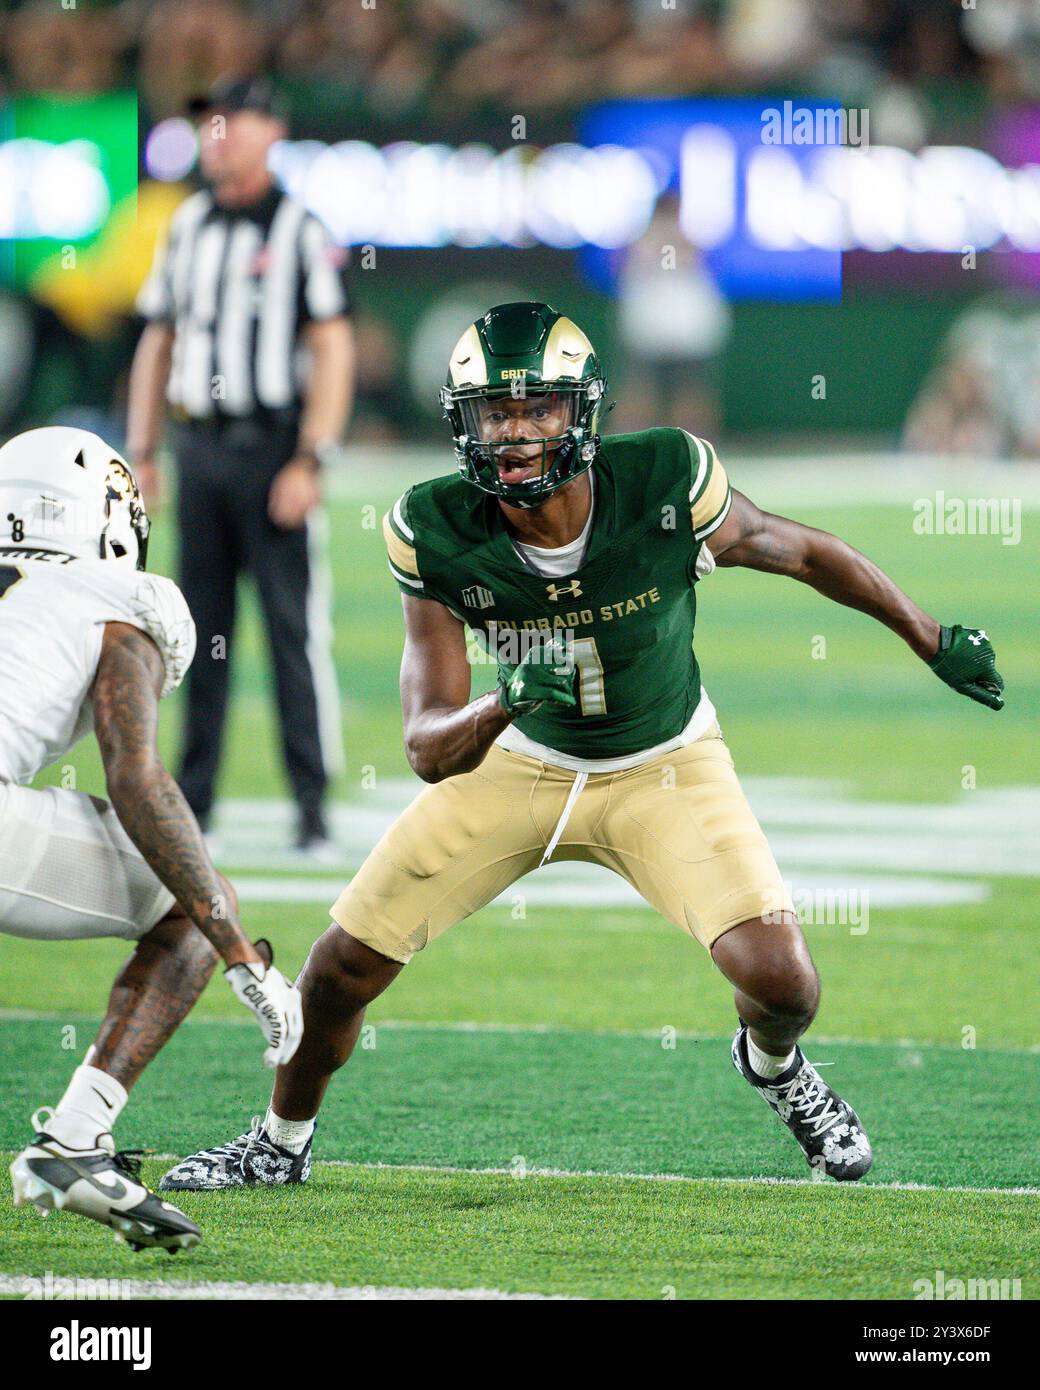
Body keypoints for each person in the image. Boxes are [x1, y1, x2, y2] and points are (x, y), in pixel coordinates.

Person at [160, 302, 1004, 1193]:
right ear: (462, 421)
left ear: (584, 412)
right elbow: (425, 744)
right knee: (338, 970)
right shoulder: (435, 526)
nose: (516, 433)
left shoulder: (664, 479)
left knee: (786, 984)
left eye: (538, 409)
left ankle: (777, 1069)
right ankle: (278, 1145)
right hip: (518, 765)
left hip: (665, 761)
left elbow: (798, 552)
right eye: (495, 412)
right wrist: (503, 703)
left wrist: (929, 635)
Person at [1, 427, 302, 1250]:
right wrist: (238, 947)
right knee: (189, 901)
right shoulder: (110, 597)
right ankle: (74, 1137)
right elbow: (136, 777)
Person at [126, 76, 354, 857]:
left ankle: (312, 804)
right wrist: (145, 448)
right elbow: (159, 339)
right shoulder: (186, 224)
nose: (217, 134)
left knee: (293, 631)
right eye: (210, 122)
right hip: (200, 448)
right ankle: (192, 800)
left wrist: (310, 458)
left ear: (271, 132)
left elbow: (332, 347)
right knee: (194, 633)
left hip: (271, 449)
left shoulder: (297, 228)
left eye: (234, 121)